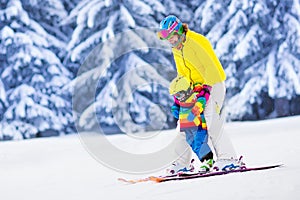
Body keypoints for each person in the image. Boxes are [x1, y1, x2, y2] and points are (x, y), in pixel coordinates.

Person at [157, 15, 243, 173]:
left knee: (210, 120)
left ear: (179, 31)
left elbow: (210, 69)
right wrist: (180, 98)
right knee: (184, 125)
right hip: (194, 89)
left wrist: (204, 96)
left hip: (213, 84)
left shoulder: (197, 41)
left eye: (172, 37)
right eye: (167, 38)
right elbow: (182, 75)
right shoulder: (177, 48)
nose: (170, 41)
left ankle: (229, 158)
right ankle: (182, 163)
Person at [168, 75, 214, 174]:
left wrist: (195, 110)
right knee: (192, 144)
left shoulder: (196, 96)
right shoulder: (181, 100)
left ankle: (208, 160)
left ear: (187, 91)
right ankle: (184, 165)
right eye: (176, 96)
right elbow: (176, 104)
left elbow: (201, 101)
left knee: (199, 143)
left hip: (198, 126)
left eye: (179, 95)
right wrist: (175, 108)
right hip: (186, 127)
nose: (178, 98)